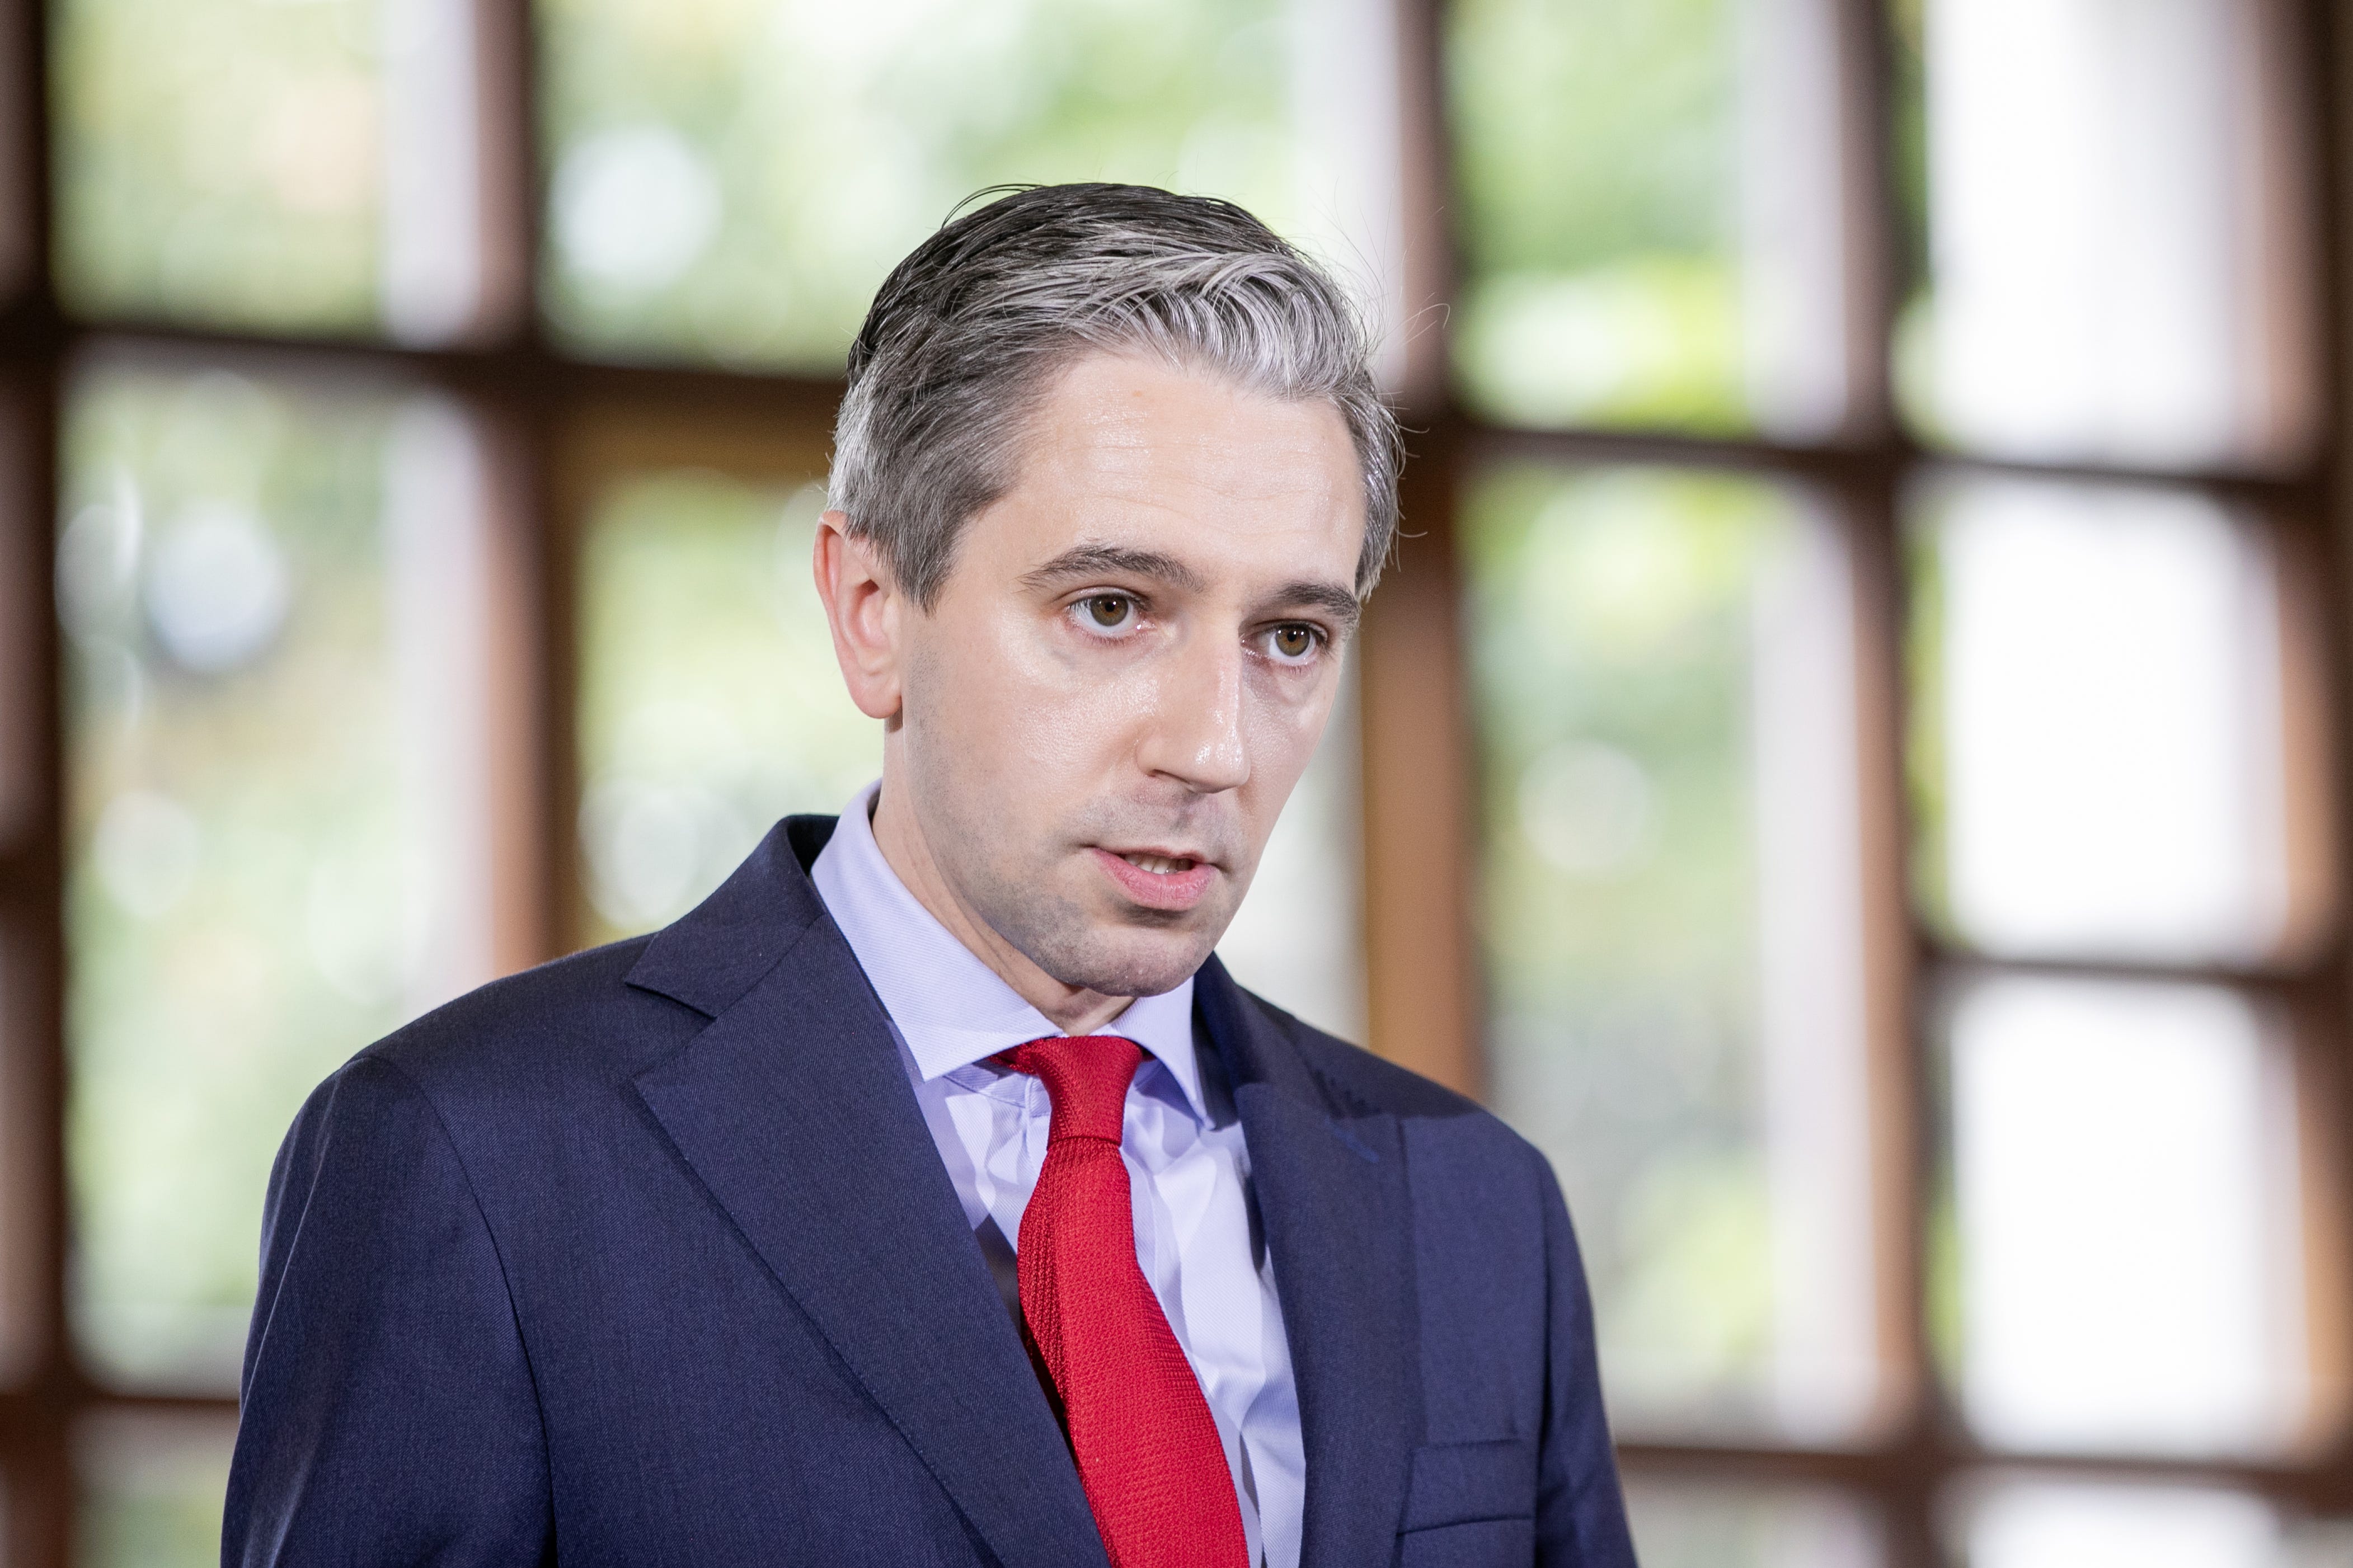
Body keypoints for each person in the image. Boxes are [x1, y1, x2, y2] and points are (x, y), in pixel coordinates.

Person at [223, 183, 1637, 1568]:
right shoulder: (476, 1158)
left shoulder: (1476, 1210)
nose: (1216, 747)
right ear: (872, 614)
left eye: (1289, 637)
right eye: (1112, 609)